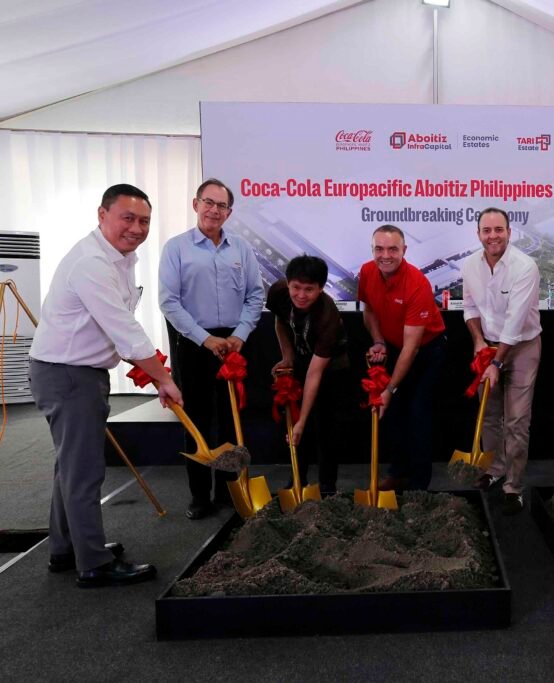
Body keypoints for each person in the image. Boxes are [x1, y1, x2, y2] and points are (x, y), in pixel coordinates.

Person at [30, 183, 183, 587]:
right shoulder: (92, 263)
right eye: (127, 218)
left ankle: (67, 549)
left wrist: (148, 366)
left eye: (144, 221)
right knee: (84, 471)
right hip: (68, 374)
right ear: (103, 215)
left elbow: (120, 330)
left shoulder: (120, 257)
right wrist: (164, 378)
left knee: (70, 467)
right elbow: (125, 329)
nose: (136, 228)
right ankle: (93, 563)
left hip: (75, 371)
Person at [158, 179, 264, 520]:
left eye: (221, 206)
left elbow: (255, 296)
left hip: (233, 344)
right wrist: (205, 339)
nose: (214, 210)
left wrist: (240, 335)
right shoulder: (176, 248)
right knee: (198, 421)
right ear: (195, 204)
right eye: (209, 202)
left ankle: (230, 492)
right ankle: (200, 497)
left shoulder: (242, 249)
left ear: (229, 212)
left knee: (233, 422)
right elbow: (169, 302)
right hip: (193, 343)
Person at [461, 207, 541, 515]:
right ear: (478, 233)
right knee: (489, 414)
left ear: (509, 231)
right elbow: (469, 307)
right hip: (488, 345)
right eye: (486, 230)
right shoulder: (469, 265)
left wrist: (496, 362)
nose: (493, 236)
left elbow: (515, 322)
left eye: (499, 230)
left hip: (522, 346)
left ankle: (513, 485)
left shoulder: (525, 266)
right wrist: (479, 342)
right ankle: (493, 469)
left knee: (517, 418)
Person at [357, 225, 446, 491]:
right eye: (379, 249)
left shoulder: (417, 284)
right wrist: (378, 340)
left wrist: (390, 388)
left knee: (417, 413)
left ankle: (420, 485)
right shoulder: (366, 271)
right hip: (394, 346)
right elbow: (369, 309)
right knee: (393, 414)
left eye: (393, 249)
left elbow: (412, 348)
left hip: (427, 351)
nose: (386, 255)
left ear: (404, 251)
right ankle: (398, 472)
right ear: (372, 250)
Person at [266, 255, 348, 495]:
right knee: (294, 427)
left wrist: (303, 420)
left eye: (309, 289)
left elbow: (315, 373)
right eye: (296, 288)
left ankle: (327, 487)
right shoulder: (279, 292)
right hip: (302, 359)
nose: (301, 295)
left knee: (324, 428)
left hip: (331, 367)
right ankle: (297, 481)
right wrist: (288, 356)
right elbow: (280, 321)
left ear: (321, 288)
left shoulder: (327, 315)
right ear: (288, 283)